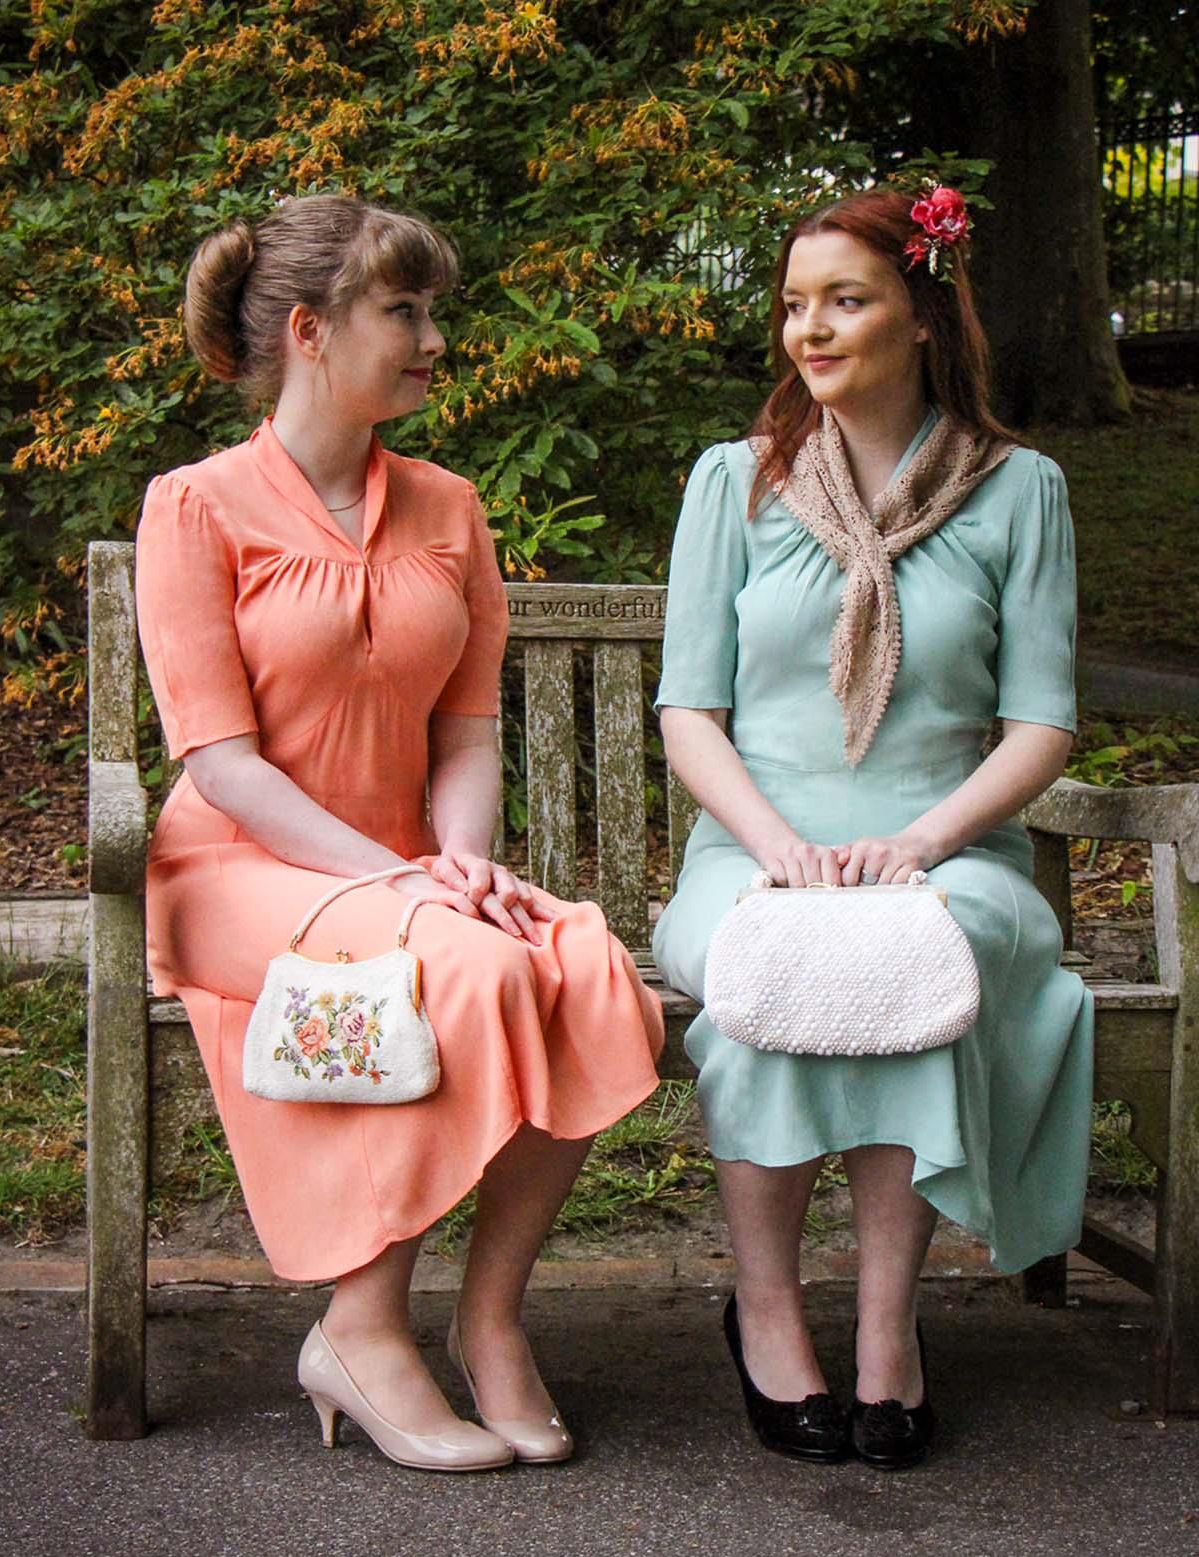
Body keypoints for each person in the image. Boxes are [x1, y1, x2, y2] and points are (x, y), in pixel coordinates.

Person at [135, 194, 664, 1473]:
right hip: (235, 869)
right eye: (405, 311)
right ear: (310, 331)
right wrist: (410, 886)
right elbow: (222, 765)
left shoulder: (450, 506)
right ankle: (362, 1329)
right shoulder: (196, 507)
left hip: (405, 871)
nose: (435, 339)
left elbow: (466, 734)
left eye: (434, 312)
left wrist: (461, 864)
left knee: (589, 971)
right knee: (469, 965)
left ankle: (489, 1321)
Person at [652, 186, 1093, 1470]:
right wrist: (777, 848)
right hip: (757, 846)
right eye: (796, 304)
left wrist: (919, 846)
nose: (811, 328)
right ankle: (770, 1313)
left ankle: (889, 1331)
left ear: (923, 315)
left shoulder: (1020, 492)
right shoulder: (735, 482)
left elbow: (1041, 727)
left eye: (846, 300)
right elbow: (690, 713)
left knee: (919, 951)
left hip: (951, 854)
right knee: (775, 950)